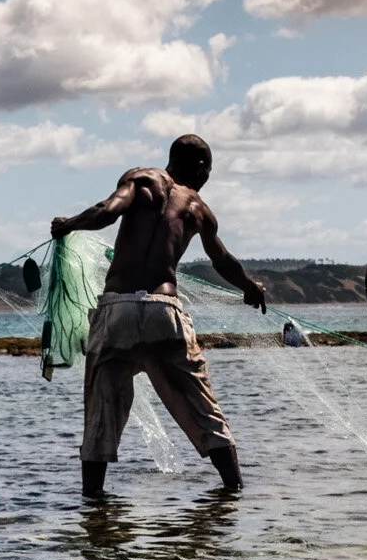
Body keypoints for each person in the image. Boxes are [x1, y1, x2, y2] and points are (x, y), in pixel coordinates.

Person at [52, 135, 267, 497]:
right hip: (164, 311)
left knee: (101, 412)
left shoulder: (140, 180)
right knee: (203, 407)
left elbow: (106, 211)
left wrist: (67, 224)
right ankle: (235, 492)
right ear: (199, 167)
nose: (207, 179)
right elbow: (224, 261)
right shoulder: (197, 207)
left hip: (116, 309)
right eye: (208, 171)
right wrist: (249, 287)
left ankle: (93, 506)